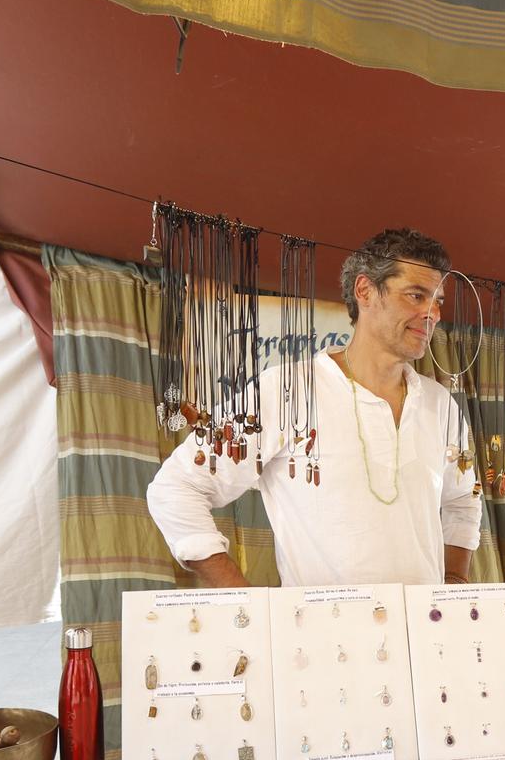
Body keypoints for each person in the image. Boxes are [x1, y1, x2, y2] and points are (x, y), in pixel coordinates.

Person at [147, 228, 480, 587]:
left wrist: (454, 582)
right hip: (323, 637)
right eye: (416, 295)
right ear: (365, 291)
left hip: (425, 635)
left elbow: (463, 501)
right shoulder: (284, 391)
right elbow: (175, 488)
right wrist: (242, 598)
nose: (432, 313)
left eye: (438, 300)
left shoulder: (440, 405)